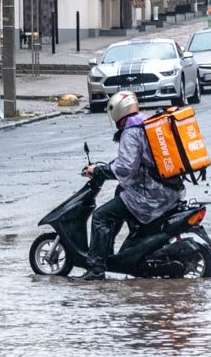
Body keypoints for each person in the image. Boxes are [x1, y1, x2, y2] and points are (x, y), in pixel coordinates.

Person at [76, 91, 185, 281]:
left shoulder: (131, 132)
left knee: (101, 217)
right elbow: (133, 161)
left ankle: (96, 268)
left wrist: (99, 171)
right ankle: (121, 251)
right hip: (169, 189)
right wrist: (106, 167)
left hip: (152, 194)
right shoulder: (145, 122)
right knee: (120, 193)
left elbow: (126, 168)